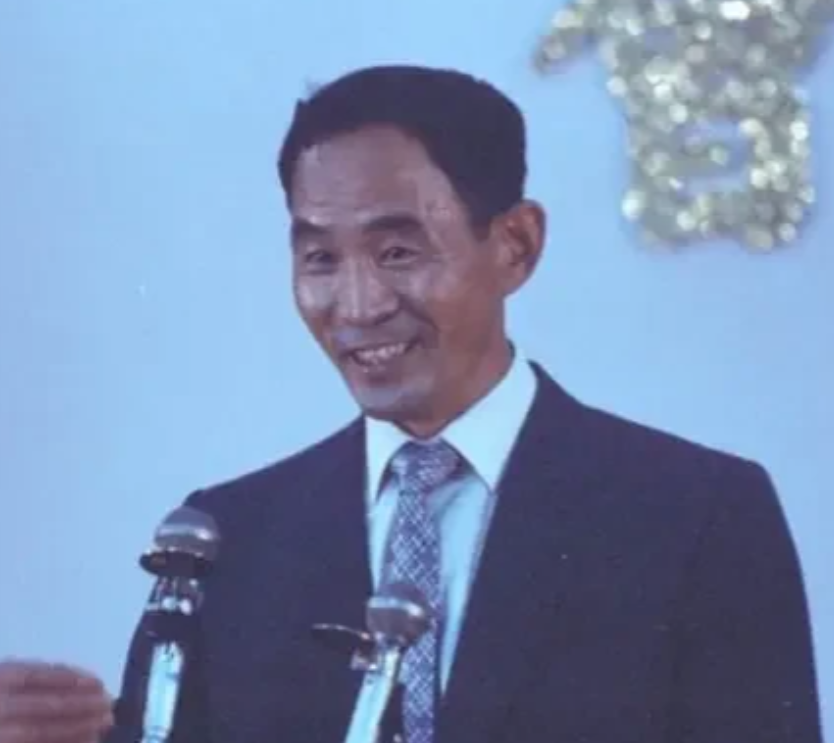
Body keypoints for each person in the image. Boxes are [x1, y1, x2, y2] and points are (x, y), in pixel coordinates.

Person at [0, 65, 822, 743]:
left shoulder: (698, 515)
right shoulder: (223, 539)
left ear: (516, 245)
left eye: (398, 251)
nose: (357, 305)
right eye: (320, 258)